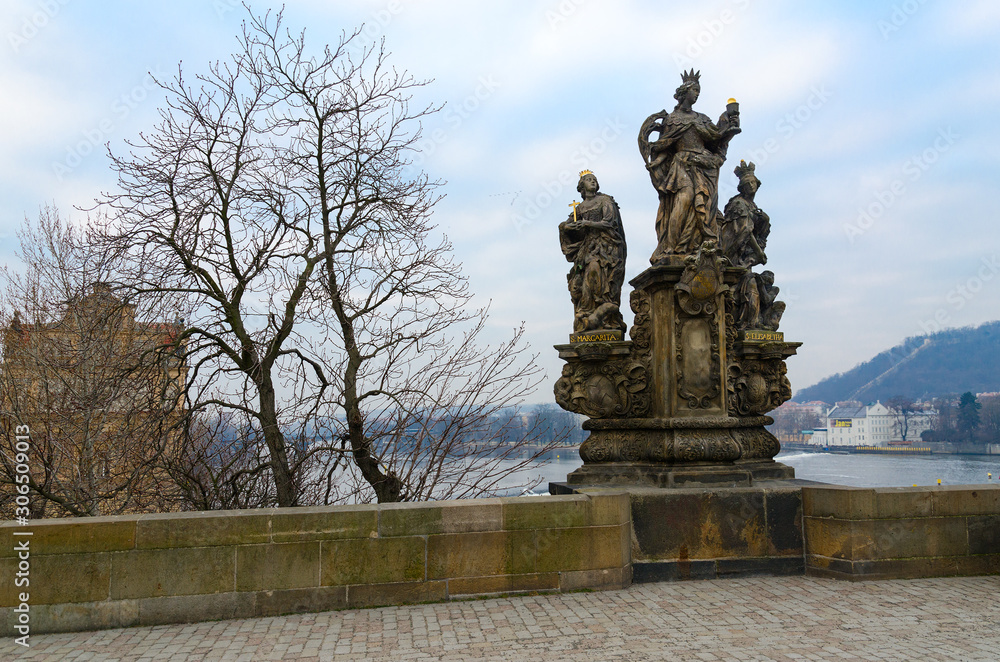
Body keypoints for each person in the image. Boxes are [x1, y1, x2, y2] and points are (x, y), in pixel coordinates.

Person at [639, 70, 740, 263]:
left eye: (698, 91)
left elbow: (715, 139)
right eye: (695, 90)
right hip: (682, 165)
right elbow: (664, 146)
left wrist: (730, 126)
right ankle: (671, 246)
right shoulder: (673, 119)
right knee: (684, 200)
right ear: (685, 92)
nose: (697, 94)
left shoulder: (702, 118)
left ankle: (701, 245)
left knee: (705, 204)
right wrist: (655, 163)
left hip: (704, 166)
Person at [559, 171, 627, 334]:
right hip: (589, 247)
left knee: (596, 270)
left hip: (607, 245)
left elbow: (610, 222)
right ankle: (587, 311)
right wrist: (566, 226)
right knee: (586, 275)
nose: (593, 182)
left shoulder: (605, 200)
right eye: (589, 180)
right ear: (582, 187)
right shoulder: (579, 207)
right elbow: (568, 224)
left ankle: (604, 311)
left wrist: (587, 223)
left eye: (594, 180)